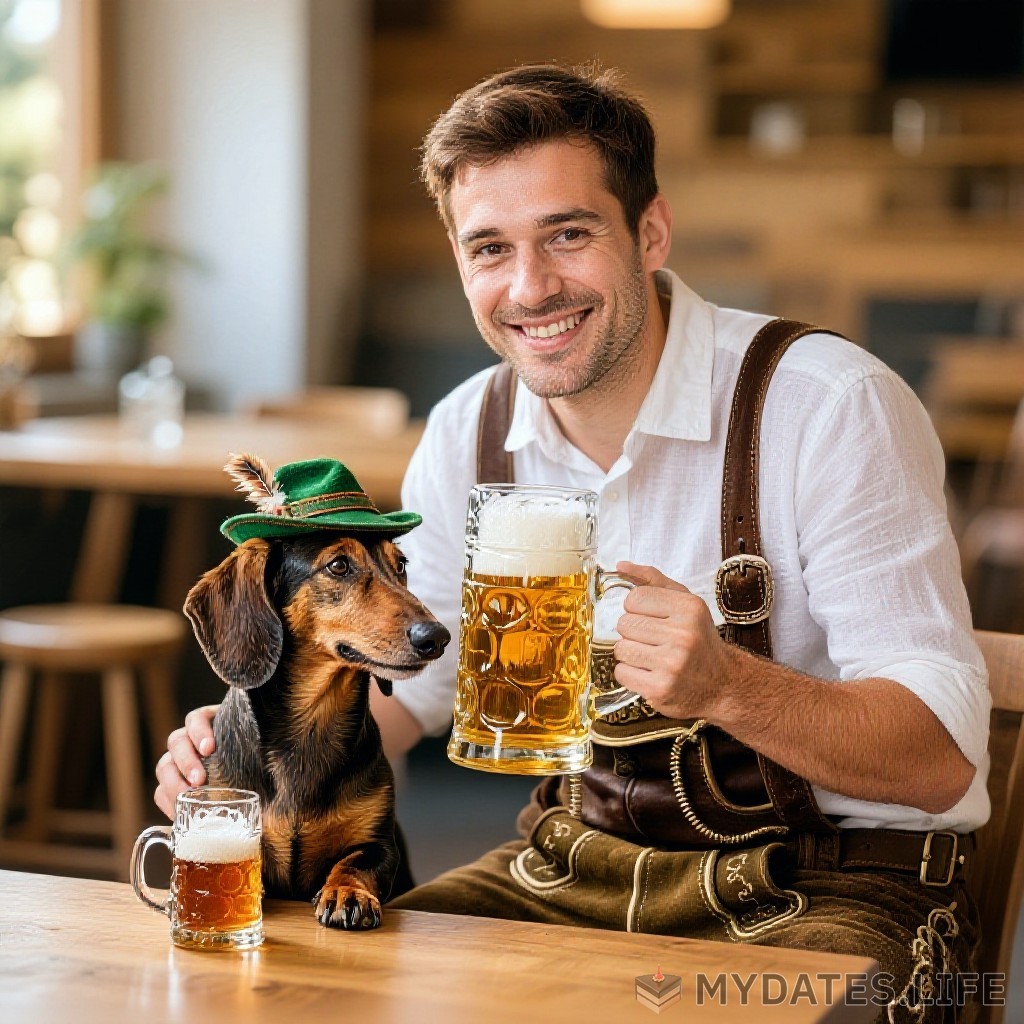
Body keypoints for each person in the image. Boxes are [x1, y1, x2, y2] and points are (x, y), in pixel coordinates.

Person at [156, 65, 988, 1021]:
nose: (531, 286)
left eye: (569, 233)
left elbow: (943, 759)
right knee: (316, 997)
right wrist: (246, 752)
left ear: (651, 232)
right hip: (569, 865)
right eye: (490, 249)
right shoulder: (468, 427)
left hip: (830, 888)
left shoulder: (830, 407)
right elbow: (419, 683)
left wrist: (728, 684)